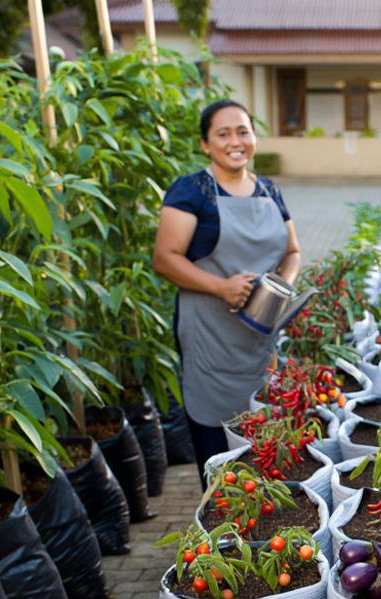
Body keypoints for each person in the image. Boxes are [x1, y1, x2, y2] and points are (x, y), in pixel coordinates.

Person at [152, 100, 301, 490]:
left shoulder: (270, 190)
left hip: (261, 336)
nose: (236, 141)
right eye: (223, 134)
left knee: (262, 444)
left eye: (243, 131)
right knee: (219, 453)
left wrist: (282, 287)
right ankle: (220, 517)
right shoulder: (191, 191)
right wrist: (222, 287)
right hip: (211, 336)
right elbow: (165, 259)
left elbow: (292, 252)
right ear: (205, 144)